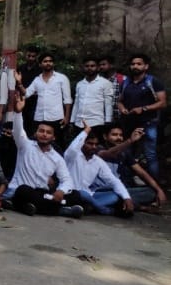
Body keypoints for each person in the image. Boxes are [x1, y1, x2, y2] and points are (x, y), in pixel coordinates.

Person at [2, 95, 85, 218]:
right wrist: (18, 112)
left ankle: (28, 207)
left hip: (43, 193)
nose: (44, 134)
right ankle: (61, 210)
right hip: (25, 190)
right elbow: (18, 131)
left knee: (76, 195)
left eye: (48, 132)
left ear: (53, 137)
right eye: (41, 131)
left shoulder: (57, 158)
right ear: (36, 133)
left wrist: (61, 191)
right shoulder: (25, 145)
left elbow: (67, 180)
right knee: (23, 191)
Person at [65, 123, 133, 217]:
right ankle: (104, 210)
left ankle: (88, 207)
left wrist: (127, 198)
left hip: (89, 196)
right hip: (70, 194)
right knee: (83, 194)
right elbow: (73, 147)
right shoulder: (73, 156)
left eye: (96, 144)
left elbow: (114, 181)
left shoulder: (98, 161)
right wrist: (86, 131)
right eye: (90, 143)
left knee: (114, 196)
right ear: (82, 143)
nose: (93, 147)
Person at [116, 53, 166, 181]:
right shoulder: (126, 82)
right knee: (128, 154)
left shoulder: (152, 81)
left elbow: (162, 102)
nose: (135, 66)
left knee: (150, 155)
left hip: (148, 123)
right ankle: (128, 184)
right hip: (129, 124)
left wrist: (144, 109)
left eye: (139, 64)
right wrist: (122, 109)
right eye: (133, 64)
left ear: (146, 66)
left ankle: (155, 189)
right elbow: (120, 100)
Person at [97, 124, 166, 211]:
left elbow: (141, 172)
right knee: (114, 197)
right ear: (105, 137)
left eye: (120, 135)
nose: (118, 138)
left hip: (121, 191)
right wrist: (130, 140)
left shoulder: (124, 153)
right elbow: (109, 153)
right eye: (114, 135)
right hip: (102, 191)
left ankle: (120, 203)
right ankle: (136, 206)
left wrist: (159, 190)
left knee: (151, 192)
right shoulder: (98, 148)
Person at [17, 53, 72, 140]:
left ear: (53, 63)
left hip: (56, 117)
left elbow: (67, 99)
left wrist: (67, 117)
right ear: (40, 64)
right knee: (37, 143)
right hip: (39, 118)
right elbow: (26, 94)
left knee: (57, 144)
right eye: (45, 61)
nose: (48, 63)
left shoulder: (62, 78)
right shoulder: (37, 79)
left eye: (50, 61)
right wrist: (19, 83)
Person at [70, 56, 113, 137]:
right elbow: (76, 103)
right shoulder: (80, 84)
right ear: (83, 68)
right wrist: (72, 121)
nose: (89, 68)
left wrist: (108, 121)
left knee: (94, 147)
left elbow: (108, 104)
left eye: (92, 66)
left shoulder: (105, 83)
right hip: (79, 123)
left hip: (96, 122)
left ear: (97, 68)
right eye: (87, 66)